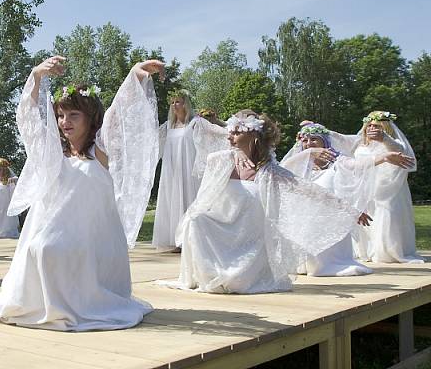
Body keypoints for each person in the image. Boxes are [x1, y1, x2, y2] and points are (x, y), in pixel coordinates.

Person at [0, 56, 161, 331]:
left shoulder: (99, 151)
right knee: (38, 248)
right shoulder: (52, 152)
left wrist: (134, 76)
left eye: (74, 115)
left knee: (49, 249)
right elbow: (27, 116)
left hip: (92, 238)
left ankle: (75, 305)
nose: (65, 122)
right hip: (53, 229)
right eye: (61, 115)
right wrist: (36, 76)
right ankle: (43, 303)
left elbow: (118, 113)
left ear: (90, 119)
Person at [161, 110, 362, 294]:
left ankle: (241, 274)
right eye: (230, 132)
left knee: (239, 283)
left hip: (251, 234)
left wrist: (350, 210)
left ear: (254, 136)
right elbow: (205, 196)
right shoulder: (221, 160)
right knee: (196, 220)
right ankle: (211, 274)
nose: (230, 137)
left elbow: (307, 189)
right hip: (223, 222)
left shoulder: (268, 170)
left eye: (236, 132)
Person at [281, 121, 414, 276]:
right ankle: (304, 265)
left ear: (324, 141)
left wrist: (383, 157)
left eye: (314, 139)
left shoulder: (335, 159)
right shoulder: (297, 162)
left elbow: (356, 164)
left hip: (330, 214)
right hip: (304, 214)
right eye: (305, 140)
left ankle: (327, 263)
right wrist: (307, 155)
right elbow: (283, 167)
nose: (309, 143)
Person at [325, 112, 421, 263]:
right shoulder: (359, 143)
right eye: (369, 125)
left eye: (376, 126)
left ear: (385, 127)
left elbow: (400, 150)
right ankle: (367, 251)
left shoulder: (392, 141)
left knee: (387, 217)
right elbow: (341, 138)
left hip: (388, 188)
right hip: (364, 187)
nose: (371, 128)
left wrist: (384, 139)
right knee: (366, 217)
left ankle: (386, 252)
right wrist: (320, 129)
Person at [152, 89, 228, 252]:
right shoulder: (168, 127)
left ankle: (190, 238)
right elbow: (150, 143)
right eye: (172, 103)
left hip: (188, 169)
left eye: (178, 102)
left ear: (185, 103)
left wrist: (235, 128)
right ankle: (174, 239)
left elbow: (219, 133)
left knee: (188, 198)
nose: (174, 105)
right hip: (171, 170)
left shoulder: (195, 123)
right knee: (172, 199)